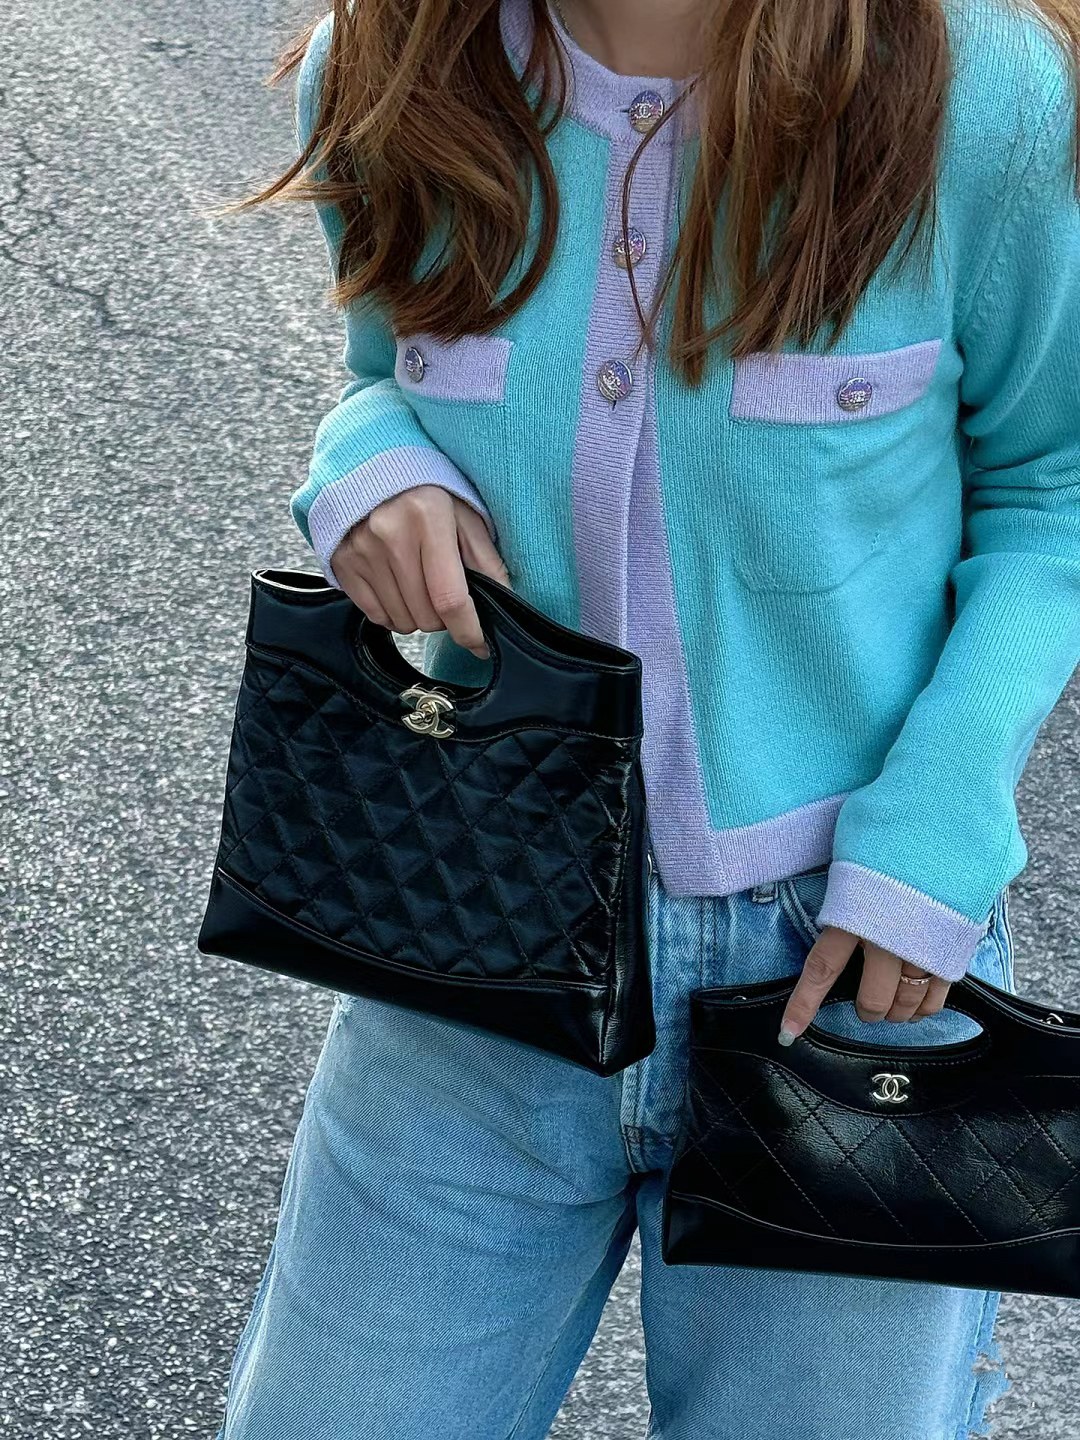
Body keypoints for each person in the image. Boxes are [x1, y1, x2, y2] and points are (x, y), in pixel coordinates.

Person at [210, 0, 1080, 1434]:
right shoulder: (385, 65)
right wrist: (367, 465)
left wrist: (938, 830)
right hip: (472, 939)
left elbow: (1054, 489)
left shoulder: (981, 86)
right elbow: (383, 378)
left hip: (855, 967)